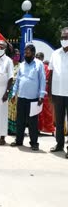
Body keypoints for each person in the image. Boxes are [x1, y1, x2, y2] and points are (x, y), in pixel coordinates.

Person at [10, 44, 46, 151]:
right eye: (25, 52)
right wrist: (13, 94)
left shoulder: (39, 64)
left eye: (28, 52)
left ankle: (34, 143)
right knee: (20, 120)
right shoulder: (22, 65)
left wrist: (41, 95)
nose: (25, 54)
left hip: (33, 98)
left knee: (32, 122)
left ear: (33, 53)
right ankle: (18, 140)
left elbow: (42, 81)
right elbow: (17, 81)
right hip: (21, 97)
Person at [49, 27, 68, 157]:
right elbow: (50, 74)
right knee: (59, 121)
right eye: (62, 37)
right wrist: (50, 92)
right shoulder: (55, 53)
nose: (64, 40)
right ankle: (59, 144)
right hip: (57, 93)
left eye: (66, 37)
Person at [35, 52, 55, 135]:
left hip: (45, 91)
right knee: (37, 111)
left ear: (42, 58)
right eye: (37, 57)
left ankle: (50, 129)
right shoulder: (35, 67)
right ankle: (38, 129)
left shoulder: (46, 67)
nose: (38, 58)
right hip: (37, 90)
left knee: (47, 112)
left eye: (39, 57)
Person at [8, 49, 21, 135]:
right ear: (12, 56)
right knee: (9, 109)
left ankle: (16, 129)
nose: (17, 56)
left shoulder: (21, 66)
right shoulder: (9, 66)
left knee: (17, 110)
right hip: (9, 90)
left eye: (19, 55)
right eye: (16, 55)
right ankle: (8, 128)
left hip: (18, 91)